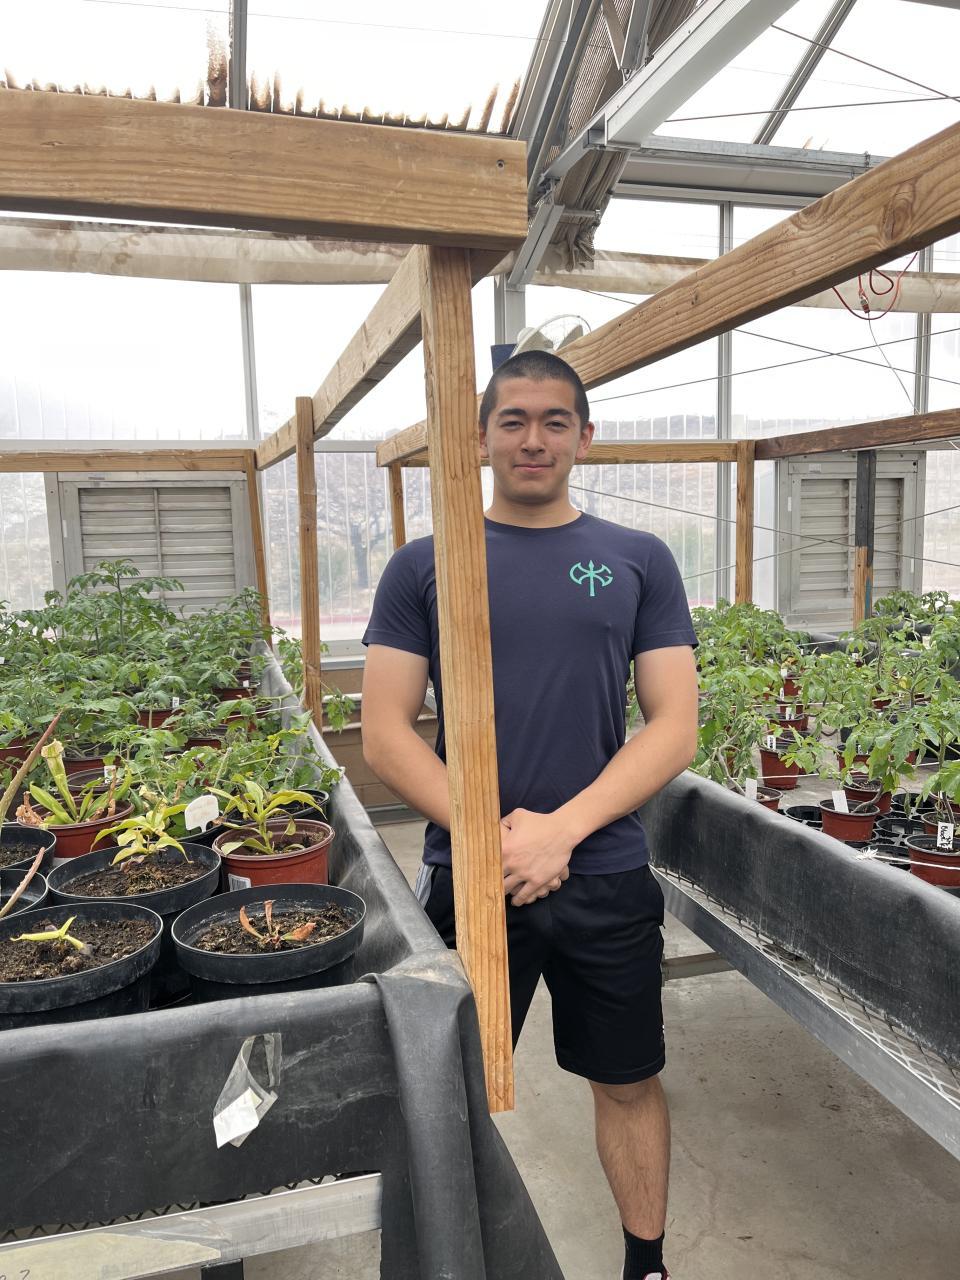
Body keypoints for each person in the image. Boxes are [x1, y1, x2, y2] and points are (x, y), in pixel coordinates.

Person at [361, 350, 698, 1280]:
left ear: (585, 437)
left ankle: (647, 1264)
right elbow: (385, 735)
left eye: (555, 421)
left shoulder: (638, 559)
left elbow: (673, 726)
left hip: (604, 872)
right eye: (513, 420)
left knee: (627, 1080)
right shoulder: (425, 565)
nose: (534, 439)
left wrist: (560, 831)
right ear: (479, 438)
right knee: (443, 1094)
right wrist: (492, 838)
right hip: (471, 879)